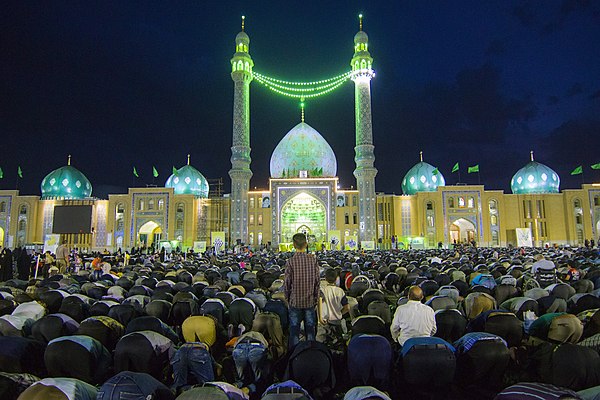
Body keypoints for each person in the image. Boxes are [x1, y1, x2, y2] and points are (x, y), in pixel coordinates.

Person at [284, 233, 320, 349]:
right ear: (306, 244)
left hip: (295, 302)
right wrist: (315, 299)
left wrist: (288, 298)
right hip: (309, 302)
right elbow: (317, 282)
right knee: (310, 331)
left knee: (294, 331)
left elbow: (287, 283)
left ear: (293, 245)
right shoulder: (313, 260)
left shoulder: (290, 262)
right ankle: (311, 354)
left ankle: (294, 356)